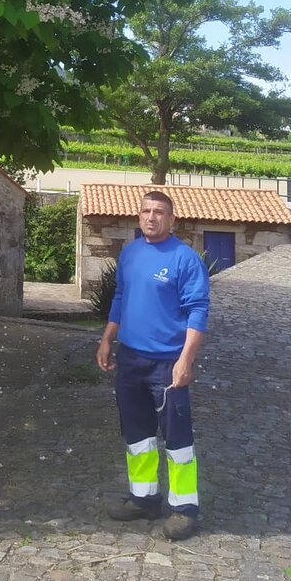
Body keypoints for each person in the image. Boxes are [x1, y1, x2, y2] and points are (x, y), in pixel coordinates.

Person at [95, 190, 209, 542]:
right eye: (146, 211)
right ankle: (144, 499)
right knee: (138, 435)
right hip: (130, 359)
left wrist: (185, 360)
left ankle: (184, 509)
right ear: (139, 216)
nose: (151, 217)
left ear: (172, 219)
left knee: (176, 439)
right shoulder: (130, 254)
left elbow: (197, 311)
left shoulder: (185, 259)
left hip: (167, 364)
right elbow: (120, 298)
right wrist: (106, 339)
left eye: (159, 212)